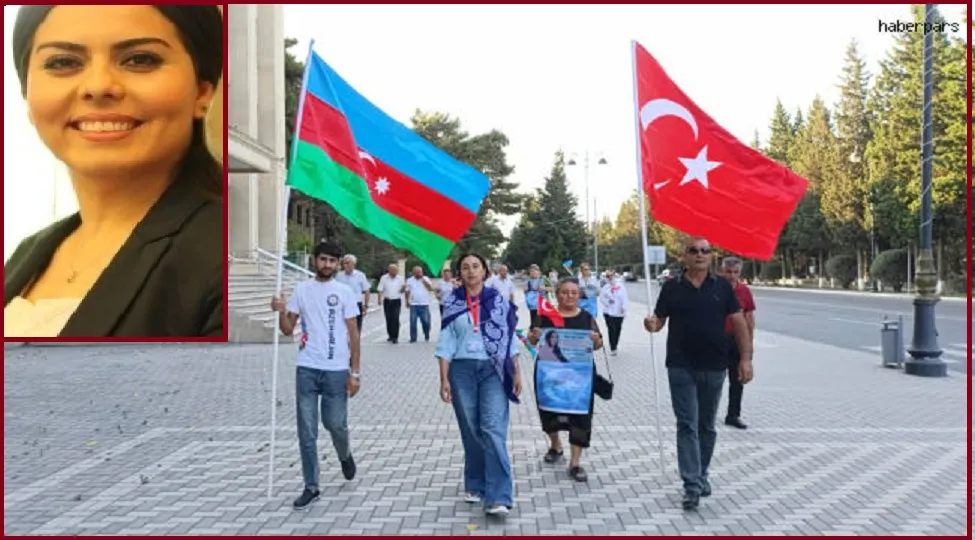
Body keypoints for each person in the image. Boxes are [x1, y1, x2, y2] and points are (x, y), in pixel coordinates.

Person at [4, 5, 224, 338]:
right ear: (27, 95)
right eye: (63, 62)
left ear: (202, 91)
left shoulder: (220, 258)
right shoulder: (29, 252)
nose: (98, 86)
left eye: (139, 59)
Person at [644, 236, 753, 511]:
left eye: (705, 250)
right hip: (681, 366)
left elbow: (740, 323)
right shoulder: (672, 287)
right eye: (694, 250)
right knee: (687, 424)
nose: (700, 255)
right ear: (685, 255)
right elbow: (659, 321)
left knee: (706, 426)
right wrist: (651, 324)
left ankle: (701, 474)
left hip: (715, 366)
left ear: (711, 255)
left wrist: (746, 359)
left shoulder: (723, 288)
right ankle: (691, 485)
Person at [269, 242, 362, 510]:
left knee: (335, 424)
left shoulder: (344, 292)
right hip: (307, 367)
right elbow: (288, 329)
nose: (328, 265)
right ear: (315, 261)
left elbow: (354, 335)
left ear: (338, 263)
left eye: (333, 261)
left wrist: (354, 372)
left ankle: (344, 454)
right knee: (306, 430)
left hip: (336, 370)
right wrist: (280, 310)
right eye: (323, 260)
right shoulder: (302, 290)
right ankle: (312, 485)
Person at [435, 252, 522, 517]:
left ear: (485, 271)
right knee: (471, 429)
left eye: (476, 266)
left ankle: (499, 496)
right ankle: (475, 482)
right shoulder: (452, 302)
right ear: (460, 274)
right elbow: (446, 342)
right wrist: (443, 378)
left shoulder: (498, 301)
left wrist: (516, 371)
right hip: (461, 370)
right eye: (465, 267)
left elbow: (509, 338)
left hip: (493, 369)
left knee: (492, 428)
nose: (471, 271)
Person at [527, 277, 604, 483]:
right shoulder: (545, 316)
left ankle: (575, 462)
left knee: (580, 416)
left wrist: (597, 342)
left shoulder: (587, 317)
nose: (569, 296)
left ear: (579, 295)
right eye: (564, 292)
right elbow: (532, 339)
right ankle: (555, 445)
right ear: (557, 294)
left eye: (573, 292)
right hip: (549, 373)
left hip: (580, 376)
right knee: (549, 410)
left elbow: (597, 344)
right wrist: (532, 337)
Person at [721, 257, 756, 429]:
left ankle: (733, 415)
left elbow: (749, 319)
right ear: (723, 271)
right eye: (728, 272)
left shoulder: (744, 291)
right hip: (717, 339)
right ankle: (705, 413)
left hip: (737, 339)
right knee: (713, 378)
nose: (732, 276)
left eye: (735, 272)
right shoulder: (715, 288)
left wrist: (748, 347)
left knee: (737, 379)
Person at [335, 254, 371, 333]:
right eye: (344, 263)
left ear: (354, 264)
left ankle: (355, 344)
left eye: (348, 263)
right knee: (342, 328)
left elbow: (367, 291)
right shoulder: (339, 276)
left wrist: (366, 305)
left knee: (356, 328)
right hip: (342, 305)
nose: (346, 265)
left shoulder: (360, 275)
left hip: (356, 304)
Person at [598, 269, 628, 356]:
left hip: (619, 312)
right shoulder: (605, 287)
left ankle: (615, 344)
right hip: (608, 312)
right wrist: (608, 301)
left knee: (618, 329)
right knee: (611, 329)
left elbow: (625, 297)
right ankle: (613, 347)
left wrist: (624, 307)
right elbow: (602, 299)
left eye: (611, 275)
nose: (609, 277)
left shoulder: (621, 286)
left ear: (614, 276)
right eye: (607, 276)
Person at [404, 265, 434, 343]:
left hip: (424, 304)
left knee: (426, 321)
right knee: (413, 322)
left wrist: (423, 280)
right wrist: (407, 301)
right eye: (417, 272)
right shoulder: (410, 280)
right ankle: (413, 338)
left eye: (420, 272)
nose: (419, 273)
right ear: (413, 273)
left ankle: (426, 333)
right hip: (414, 304)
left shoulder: (426, 279)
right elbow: (407, 291)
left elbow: (430, 288)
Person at [377, 263, 405, 344]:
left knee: (395, 318)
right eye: (392, 270)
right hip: (387, 301)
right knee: (388, 319)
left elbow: (402, 291)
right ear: (389, 270)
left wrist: (403, 288)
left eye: (396, 270)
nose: (394, 271)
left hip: (396, 300)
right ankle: (390, 334)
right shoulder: (384, 278)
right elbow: (380, 289)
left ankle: (395, 337)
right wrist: (379, 299)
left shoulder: (400, 278)